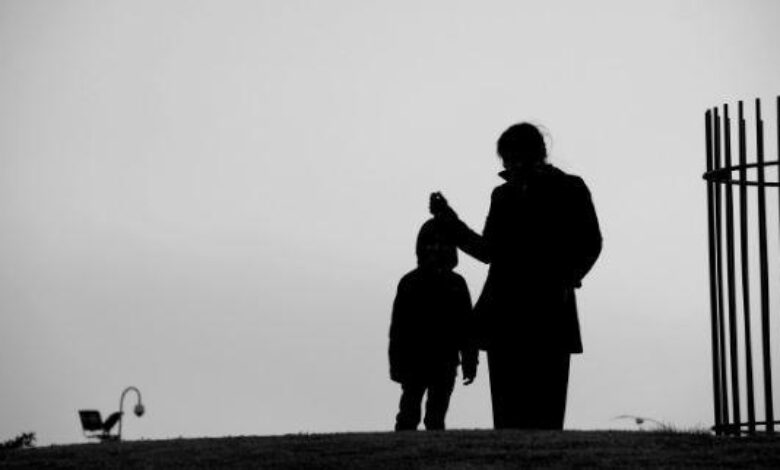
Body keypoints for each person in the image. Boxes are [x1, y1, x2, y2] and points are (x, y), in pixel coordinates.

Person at [429, 122, 602, 430]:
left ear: (534, 154)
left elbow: (590, 243)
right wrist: (449, 221)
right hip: (506, 316)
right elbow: (488, 251)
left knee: (545, 415)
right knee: (508, 417)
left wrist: (565, 278)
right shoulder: (503, 195)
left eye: (514, 157)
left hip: (548, 312)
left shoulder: (570, 188)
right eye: (507, 159)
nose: (510, 165)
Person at [388, 217, 478, 431]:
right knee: (409, 414)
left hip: (444, 362)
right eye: (431, 244)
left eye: (442, 244)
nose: (436, 249)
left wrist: (470, 361)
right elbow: (398, 329)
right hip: (415, 361)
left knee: (435, 417)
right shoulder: (410, 283)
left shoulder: (456, 284)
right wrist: (396, 364)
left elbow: (467, 328)